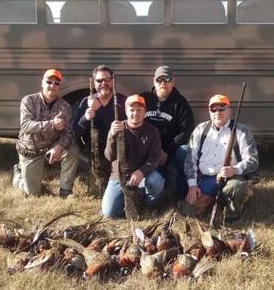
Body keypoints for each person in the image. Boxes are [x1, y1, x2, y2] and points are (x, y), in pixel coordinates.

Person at [180, 94, 259, 221]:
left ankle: (233, 209)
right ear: (209, 112)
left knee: (236, 188)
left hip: (230, 178)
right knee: (187, 211)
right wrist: (192, 186)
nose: (217, 112)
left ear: (229, 110)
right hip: (206, 179)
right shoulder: (200, 130)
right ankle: (216, 200)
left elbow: (253, 161)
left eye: (221, 108)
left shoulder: (241, 131)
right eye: (213, 109)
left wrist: (235, 169)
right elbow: (190, 161)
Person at [12, 69, 79, 198]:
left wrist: (59, 147)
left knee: (73, 150)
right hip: (31, 149)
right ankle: (18, 175)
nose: (52, 86)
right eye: (49, 82)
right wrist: (52, 124)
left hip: (51, 146)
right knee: (33, 194)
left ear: (59, 86)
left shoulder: (65, 107)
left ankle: (65, 190)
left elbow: (68, 133)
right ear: (42, 83)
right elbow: (26, 126)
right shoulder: (29, 101)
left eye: (56, 83)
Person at [102, 94, 164, 219]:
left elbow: (154, 158)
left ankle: (146, 205)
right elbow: (109, 156)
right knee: (109, 213)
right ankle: (130, 200)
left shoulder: (152, 131)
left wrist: (142, 172)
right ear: (125, 111)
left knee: (156, 181)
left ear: (145, 112)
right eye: (131, 110)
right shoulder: (117, 129)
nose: (135, 113)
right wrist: (112, 135)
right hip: (119, 176)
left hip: (143, 175)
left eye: (139, 110)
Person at [141, 65, 194, 198]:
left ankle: (182, 187)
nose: (163, 83)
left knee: (184, 150)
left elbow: (186, 130)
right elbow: (133, 120)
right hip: (147, 149)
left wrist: (167, 151)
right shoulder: (144, 98)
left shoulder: (180, 102)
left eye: (167, 79)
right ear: (154, 81)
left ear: (173, 82)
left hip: (170, 151)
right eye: (159, 80)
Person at [74, 65, 127, 192]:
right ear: (93, 82)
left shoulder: (123, 101)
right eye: (99, 81)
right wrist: (86, 117)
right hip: (95, 153)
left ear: (113, 81)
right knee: (96, 191)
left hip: (117, 153)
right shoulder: (86, 102)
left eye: (107, 80)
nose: (104, 83)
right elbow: (77, 131)